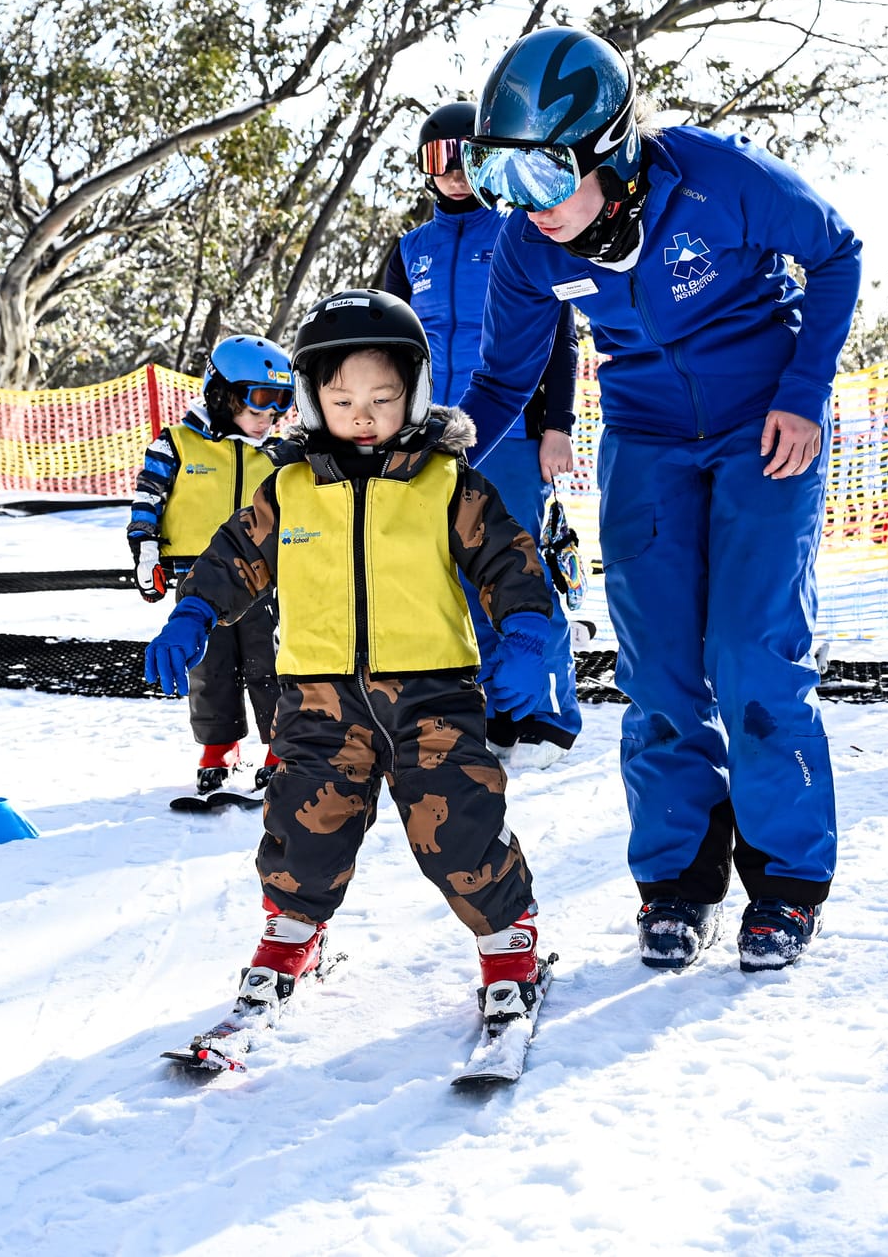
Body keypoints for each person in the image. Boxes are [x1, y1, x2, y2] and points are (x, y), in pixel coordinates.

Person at [455, 27, 862, 973]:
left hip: (767, 422)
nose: (524, 207)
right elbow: (504, 379)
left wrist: (803, 393)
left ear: (612, 151)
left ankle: (788, 886)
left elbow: (835, 253)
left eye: (543, 179)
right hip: (646, 441)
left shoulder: (718, 178)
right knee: (660, 669)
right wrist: (444, 445)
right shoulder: (530, 245)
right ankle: (678, 881)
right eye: (498, 178)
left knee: (753, 654)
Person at [144, 288, 557, 1037]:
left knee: (459, 828)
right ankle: (291, 935)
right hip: (316, 699)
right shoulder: (292, 488)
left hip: (432, 695)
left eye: (382, 396)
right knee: (302, 828)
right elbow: (233, 556)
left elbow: (510, 560)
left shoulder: (446, 482)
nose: (362, 414)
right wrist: (194, 612)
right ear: (312, 400)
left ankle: (509, 947)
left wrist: (527, 636)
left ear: (415, 394)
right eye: (341, 398)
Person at [383, 98, 586, 768]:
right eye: (437, 159)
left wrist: (557, 425)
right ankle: (499, 708)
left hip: (512, 433)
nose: (452, 173)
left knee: (520, 567)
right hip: (433, 437)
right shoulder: (409, 250)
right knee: (457, 576)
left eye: (465, 157)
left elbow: (560, 335)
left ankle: (549, 715)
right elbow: (382, 349)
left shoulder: (522, 234)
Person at [127, 336, 293, 797]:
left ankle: (282, 748)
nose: (268, 419)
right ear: (221, 395)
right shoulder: (175, 444)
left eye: (278, 410)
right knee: (210, 669)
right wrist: (145, 548)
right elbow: (148, 498)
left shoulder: (278, 455)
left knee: (272, 665)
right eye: (257, 406)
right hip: (195, 579)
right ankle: (219, 746)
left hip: (264, 583)